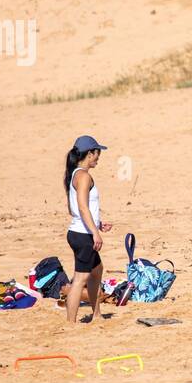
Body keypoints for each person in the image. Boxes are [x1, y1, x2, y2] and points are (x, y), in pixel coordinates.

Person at [63, 135, 112, 323]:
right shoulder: (83, 176)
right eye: (97, 153)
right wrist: (95, 232)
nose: (98, 157)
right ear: (90, 153)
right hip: (83, 235)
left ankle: (97, 314)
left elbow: (73, 209)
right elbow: (82, 207)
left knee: (97, 270)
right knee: (79, 279)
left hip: (79, 232)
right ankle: (70, 323)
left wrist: (97, 224)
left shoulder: (74, 174)